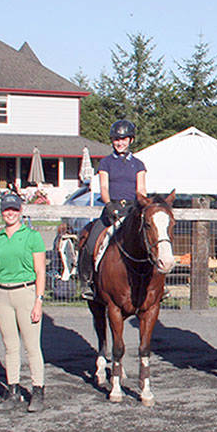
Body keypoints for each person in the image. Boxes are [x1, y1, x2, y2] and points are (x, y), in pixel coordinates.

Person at [0, 192, 47, 412]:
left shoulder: (32, 237)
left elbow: (40, 271)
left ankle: (37, 390)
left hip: (25, 292)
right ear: (1, 212)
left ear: (21, 211)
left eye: (14, 209)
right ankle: (13, 391)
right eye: (6, 209)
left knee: (31, 346)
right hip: (2, 294)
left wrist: (38, 301)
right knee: (10, 346)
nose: (10, 213)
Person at [78, 119, 147, 299]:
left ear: (131, 140)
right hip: (112, 208)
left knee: (149, 241)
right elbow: (104, 188)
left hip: (132, 210)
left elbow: (141, 189)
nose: (120, 143)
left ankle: (156, 284)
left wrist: (143, 205)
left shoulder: (138, 164)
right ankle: (87, 282)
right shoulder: (106, 163)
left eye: (123, 139)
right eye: (116, 139)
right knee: (91, 241)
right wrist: (109, 204)